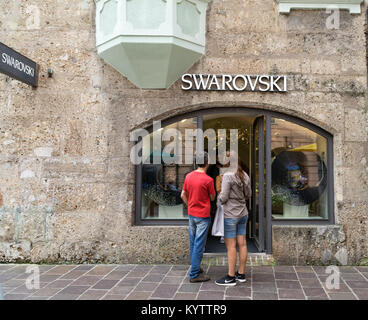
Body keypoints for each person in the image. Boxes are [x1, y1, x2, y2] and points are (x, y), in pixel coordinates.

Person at [215, 152, 252, 286]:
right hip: (243, 213)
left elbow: (223, 197)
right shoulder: (245, 175)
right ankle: (241, 274)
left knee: (231, 246)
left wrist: (218, 197)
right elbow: (249, 194)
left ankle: (230, 277)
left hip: (231, 215)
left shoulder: (228, 176)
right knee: (242, 243)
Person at [181, 151, 216, 283]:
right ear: (207, 163)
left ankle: (196, 267)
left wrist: (189, 204)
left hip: (192, 214)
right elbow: (212, 197)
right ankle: (194, 274)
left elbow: (183, 194)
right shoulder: (208, 180)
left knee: (193, 242)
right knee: (199, 245)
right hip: (203, 215)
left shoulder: (188, 176)